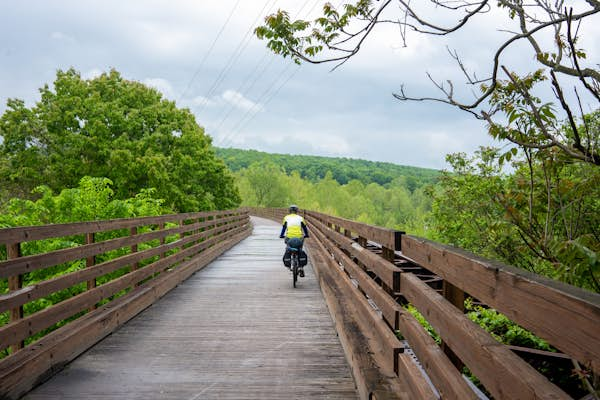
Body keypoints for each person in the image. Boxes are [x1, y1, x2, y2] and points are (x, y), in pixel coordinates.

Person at [279, 205, 309, 276]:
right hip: (299, 238)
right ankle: (301, 267)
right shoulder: (301, 218)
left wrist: (281, 235)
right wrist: (307, 235)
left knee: (288, 247)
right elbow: (304, 228)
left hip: (289, 237)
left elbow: (284, 228)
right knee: (300, 248)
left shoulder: (286, 218)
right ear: (296, 211)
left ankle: (289, 264)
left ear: (289, 211)